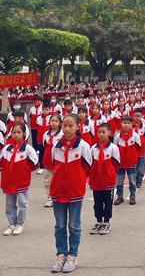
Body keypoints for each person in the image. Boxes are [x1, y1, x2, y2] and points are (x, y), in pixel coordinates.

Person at [50, 114, 92, 273]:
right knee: (59, 226)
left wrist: (78, 182)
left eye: (70, 126)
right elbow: (54, 166)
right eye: (64, 125)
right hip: (58, 192)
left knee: (74, 226)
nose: (67, 129)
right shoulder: (56, 146)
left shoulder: (83, 146)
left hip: (75, 192)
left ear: (77, 127)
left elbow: (88, 167)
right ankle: (61, 254)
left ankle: (72, 256)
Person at [0, 124, 38, 236]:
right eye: (14, 132)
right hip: (9, 181)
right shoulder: (7, 148)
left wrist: (23, 171)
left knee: (23, 203)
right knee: (9, 204)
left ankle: (20, 224)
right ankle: (12, 223)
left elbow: (34, 164)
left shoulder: (28, 149)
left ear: (24, 134)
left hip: (21, 181)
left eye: (19, 132)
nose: (16, 135)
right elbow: (2, 162)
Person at [89, 123, 120, 235]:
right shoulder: (93, 148)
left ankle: (106, 222)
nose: (101, 134)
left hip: (108, 181)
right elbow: (90, 163)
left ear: (109, 133)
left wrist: (109, 174)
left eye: (103, 132)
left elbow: (116, 164)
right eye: (99, 132)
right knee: (97, 202)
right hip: (96, 181)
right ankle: (98, 221)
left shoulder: (113, 148)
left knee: (107, 202)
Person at [114, 116, 141, 206]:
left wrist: (134, 157)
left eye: (128, 123)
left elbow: (138, 147)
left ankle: (132, 196)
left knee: (132, 181)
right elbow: (115, 149)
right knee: (119, 181)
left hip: (131, 162)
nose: (126, 125)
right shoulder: (118, 137)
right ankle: (119, 197)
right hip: (120, 163)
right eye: (124, 123)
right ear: (121, 124)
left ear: (131, 125)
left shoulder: (135, 136)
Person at [42, 114, 63, 208]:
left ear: (60, 123)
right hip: (48, 161)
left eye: (56, 121)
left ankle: (59, 196)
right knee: (48, 181)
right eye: (52, 121)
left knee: (59, 180)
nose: (54, 123)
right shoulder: (46, 134)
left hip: (58, 161)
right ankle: (50, 198)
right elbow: (44, 146)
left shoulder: (62, 134)